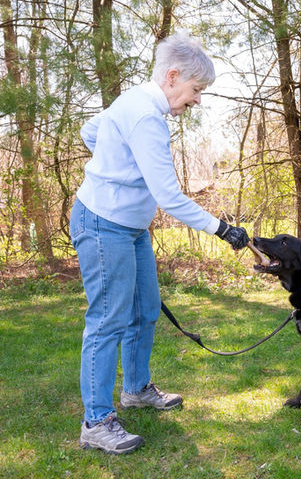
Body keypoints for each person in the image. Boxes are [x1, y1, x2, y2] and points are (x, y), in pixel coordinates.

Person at [70, 32, 249, 455]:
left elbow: (90, 130)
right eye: (196, 90)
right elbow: (168, 196)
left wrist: (116, 161)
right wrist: (221, 229)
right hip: (103, 223)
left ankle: (135, 389)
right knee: (107, 320)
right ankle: (96, 421)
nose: (197, 100)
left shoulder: (137, 103)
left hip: (130, 226)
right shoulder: (145, 115)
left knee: (145, 309)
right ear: (172, 77)